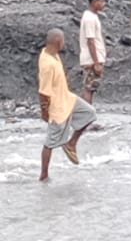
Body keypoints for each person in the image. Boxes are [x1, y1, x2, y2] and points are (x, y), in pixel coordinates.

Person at [37, 28, 96, 181]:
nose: (64, 43)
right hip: (57, 107)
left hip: (68, 98)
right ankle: (43, 175)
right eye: (62, 40)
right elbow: (43, 92)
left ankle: (71, 143)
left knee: (90, 113)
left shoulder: (52, 54)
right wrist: (45, 112)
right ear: (57, 42)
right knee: (49, 143)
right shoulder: (47, 64)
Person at [80, 0, 107, 102]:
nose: (103, 4)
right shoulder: (90, 18)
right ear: (94, 1)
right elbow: (90, 41)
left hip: (92, 59)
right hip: (91, 60)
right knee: (89, 88)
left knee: (90, 87)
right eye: (102, 1)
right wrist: (96, 62)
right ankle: (87, 116)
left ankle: (86, 114)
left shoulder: (91, 16)